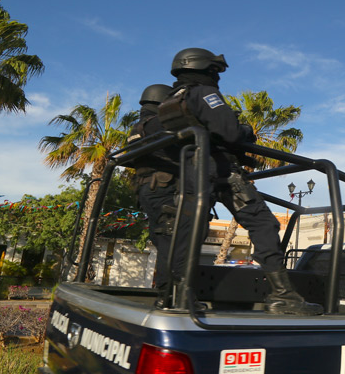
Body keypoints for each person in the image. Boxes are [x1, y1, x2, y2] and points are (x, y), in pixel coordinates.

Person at [158, 47, 322, 315]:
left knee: (188, 233)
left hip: (189, 175)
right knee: (264, 223)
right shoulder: (204, 93)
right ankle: (284, 296)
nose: (217, 78)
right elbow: (230, 132)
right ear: (205, 70)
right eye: (215, 72)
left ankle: (177, 296)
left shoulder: (171, 101)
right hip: (220, 173)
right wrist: (245, 131)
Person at [132, 84, 180, 294]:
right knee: (172, 240)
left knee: (162, 238)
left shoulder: (137, 127)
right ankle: (167, 294)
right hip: (162, 188)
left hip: (146, 190)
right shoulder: (158, 123)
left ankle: (166, 291)